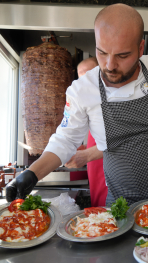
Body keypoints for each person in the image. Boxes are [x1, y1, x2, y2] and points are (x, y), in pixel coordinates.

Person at [6, 3, 148, 212]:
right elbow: (65, 140)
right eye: (102, 52)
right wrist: (32, 173)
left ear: (140, 48)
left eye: (122, 55)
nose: (110, 65)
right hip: (122, 208)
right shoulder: (82, 90)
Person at [65, 57, 108, 207]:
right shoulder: (88, 104)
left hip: (110, 170)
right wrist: (85, 149)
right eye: (80, 75)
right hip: (94, 169)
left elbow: (121, 141)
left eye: (89, 73)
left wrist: (86, 155)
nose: (85, 80)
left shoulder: (110, 100)